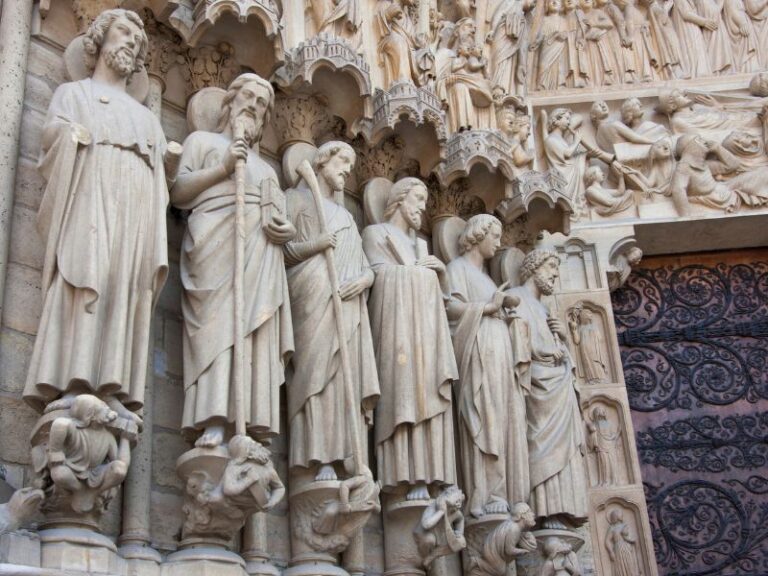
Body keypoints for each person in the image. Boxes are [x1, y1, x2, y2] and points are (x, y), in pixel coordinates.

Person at [24, 9, 170, 417]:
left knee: (124, 286)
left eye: (137, 41)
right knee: (87, 276)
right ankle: (73, 381)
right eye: (123, 32)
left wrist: (168, 163)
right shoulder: (75, 94)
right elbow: (51, 137)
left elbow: (163, 172)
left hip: (135, 206)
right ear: (100, 38)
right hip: (90, 192)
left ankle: (112, 387)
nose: (130, 42)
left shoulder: (146, 117)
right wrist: (72, 135)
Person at [172, 73, 296, 447]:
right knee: (219, 329)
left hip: (260, 260)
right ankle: (212, 417)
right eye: (248, 97)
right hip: (215, 249)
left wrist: (284, 230)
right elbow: (178, 192)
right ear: (229, 101)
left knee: (254, 334)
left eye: (262, 104)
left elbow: (278, 217)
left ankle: (250, 421)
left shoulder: (267, 170)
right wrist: (223, 168)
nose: (253, 107)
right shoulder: (202, 142)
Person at [285, 141, 380, 481]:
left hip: (348, 302)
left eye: (351, 166)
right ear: (322, 161)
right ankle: (317, 456)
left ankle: (344, 455)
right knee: (316, 376)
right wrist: (317, 244)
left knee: (343, 379)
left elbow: (366, 266)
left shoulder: (347, 217)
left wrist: (364, 280)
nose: (347, 171)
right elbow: (282, 251)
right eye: (342, 162)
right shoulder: (295, 199)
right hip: (311, 297)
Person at [362, 178, 458, 500]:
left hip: (426, 336)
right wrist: (420, 275)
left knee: (427, 391)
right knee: (402, 392)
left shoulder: (421, 246)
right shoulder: (376, 233)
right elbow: (377, 277)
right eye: (418, 199)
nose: (422, 208)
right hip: (397, 331)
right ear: (400, 199)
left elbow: (442, 302)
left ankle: (430, 476)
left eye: (426, 202)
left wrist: (439, 274)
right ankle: (403, 476)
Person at [446, 215, 529, 517]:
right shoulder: (457, 269)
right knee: (484, 416)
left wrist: (508, 317)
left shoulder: (487, 278)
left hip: (499, 353)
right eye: (494, 235)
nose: (498, 241)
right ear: (478, 235)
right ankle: (484, 492)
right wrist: (489, 307)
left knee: (503, 419)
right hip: (477, 351)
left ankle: (503, 492)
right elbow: (450, 308)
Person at [507, 250, 588, 527]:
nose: (555, 273)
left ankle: (562, 509)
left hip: (558, 387)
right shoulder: (516, 298)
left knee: (564, 451)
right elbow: (514, 341)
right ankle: (544, 510)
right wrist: (545, 352)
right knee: (540, 444)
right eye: (551, 266)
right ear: (534, 267)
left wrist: (563, 340)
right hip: (539, 389)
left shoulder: (544, 308)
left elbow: (560, 354)